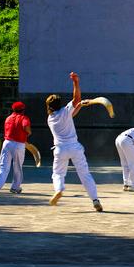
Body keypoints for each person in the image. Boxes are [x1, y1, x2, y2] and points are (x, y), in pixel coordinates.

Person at [45, 72, 103, 211]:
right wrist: (76, 82)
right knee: (85, 174)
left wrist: (80, 106)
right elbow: (76, 98)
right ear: (60, 104)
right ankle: (95, 200)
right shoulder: (65, 111)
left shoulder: (51, 118)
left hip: (60, 150)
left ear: (49, 106)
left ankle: (58, 190)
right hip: (75, 148)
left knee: (58, 174)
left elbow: (72, 113)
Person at [0, 101, 32, 195]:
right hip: (18, 145)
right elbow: (25, 127)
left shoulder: (8, 118)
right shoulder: (24, 118)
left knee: (3, 166)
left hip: (7, 143)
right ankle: (15, 187)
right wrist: (29, 133)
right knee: (17, 167)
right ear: (23, 110)